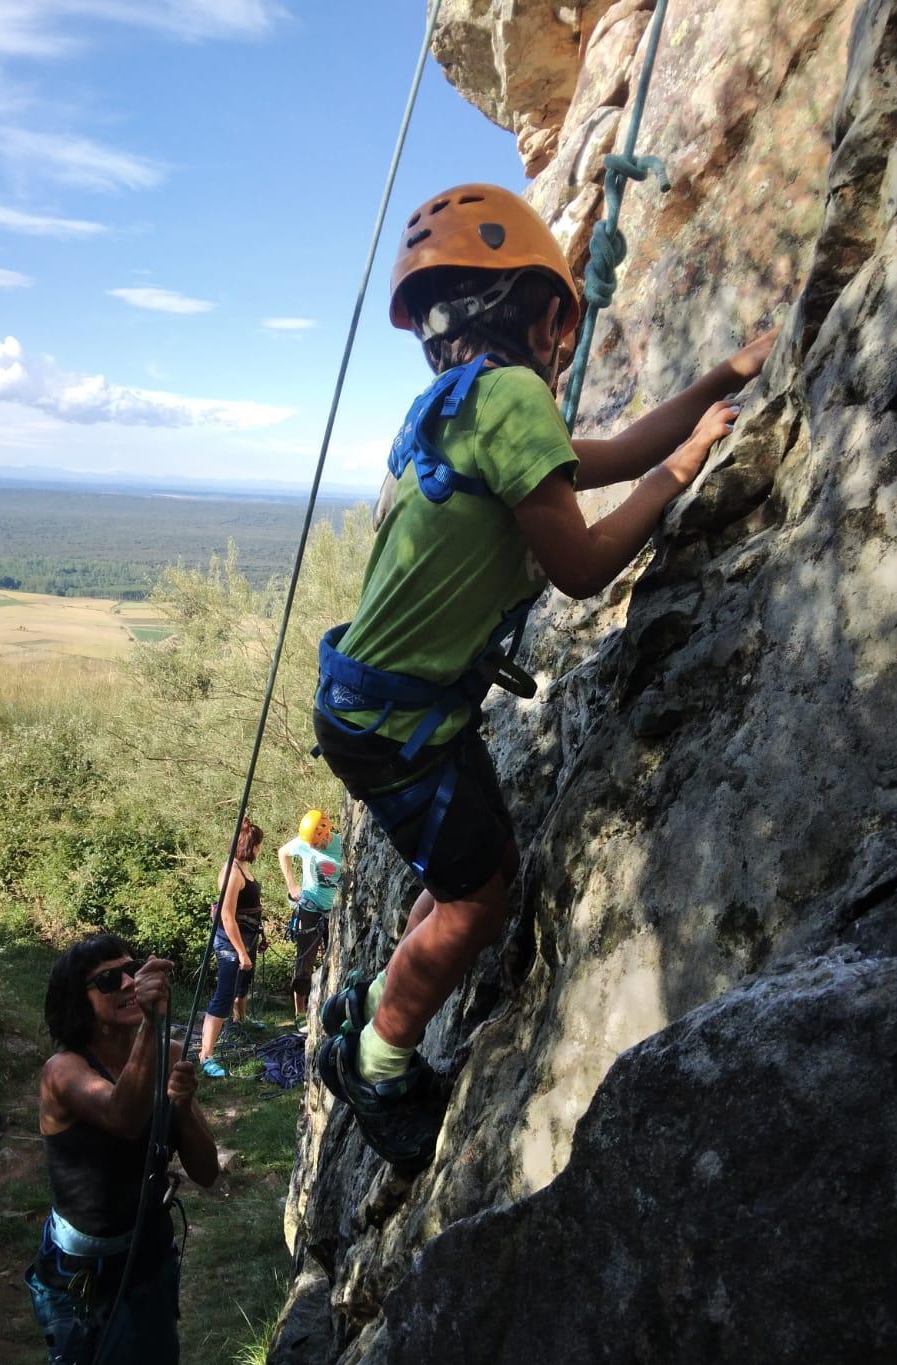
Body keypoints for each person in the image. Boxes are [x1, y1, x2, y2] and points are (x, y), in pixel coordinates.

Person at [312, 183, 776, 1174]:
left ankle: (377, 1004)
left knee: (468, 879)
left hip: (383, 706)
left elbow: (604, 453)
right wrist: (686, 466)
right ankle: (378, 1061)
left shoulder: (455, 404)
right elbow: (580, 563)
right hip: (403, 724)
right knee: (478, 902)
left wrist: (719, 378)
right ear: (550, 313)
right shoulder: (512, 399)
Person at [30, 933, 218, 1365]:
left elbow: (206, 1170)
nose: (126, 984)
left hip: (148, 1256)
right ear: (81, 1003)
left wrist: (186, 1104)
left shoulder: (164, 1056)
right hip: (84, 1283)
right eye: (109, 981)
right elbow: (120, 1112)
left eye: (131, 972)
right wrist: (155, 1039)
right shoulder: (63, 1071)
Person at [199, 819, 264, 1077]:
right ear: (251, 846)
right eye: (259, 845)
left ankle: (239, 1022)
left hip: (247, 938)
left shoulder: (243, 868)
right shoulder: (231, 872)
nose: (260, 850)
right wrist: (240, 952)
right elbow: (227, 917)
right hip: (230, 943)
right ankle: (206, 1056)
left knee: (242, 985)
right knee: (224, 995)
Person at [277, 809, 343, 1031]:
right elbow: (282, 853)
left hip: (334, 910)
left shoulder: (342, 844)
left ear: (325, 834)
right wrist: (291, 886)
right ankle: (300, 1013)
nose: (313, 847)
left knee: (336, 959)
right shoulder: (304, 841)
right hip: (310, 907)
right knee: (305, 959)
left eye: (316, 843)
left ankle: (331, 1006)